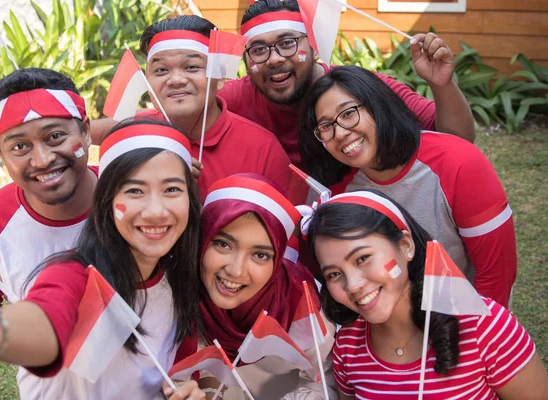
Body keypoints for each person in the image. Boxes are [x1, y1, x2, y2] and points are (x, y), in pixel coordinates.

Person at [0, 119, 206, 400]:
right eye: (135, 191)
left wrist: (186, 390)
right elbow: (45, 319)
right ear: (106, 202)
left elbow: (177, 372)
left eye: (171, 189)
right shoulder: (74, 274)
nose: (156, 211)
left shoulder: (182, 275)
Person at [298, 66, 516, 307]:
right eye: (326, 127)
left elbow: (497, 274)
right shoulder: (338, 192)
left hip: (466, 313)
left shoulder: (458, 162)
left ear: (378, 105)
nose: (339, 133)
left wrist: (480, 335)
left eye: (348, 113)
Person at [302, 189, 548, 399]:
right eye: (334, 274)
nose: (353, 285)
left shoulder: (484, 325)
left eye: (363, 258)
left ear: (406, 245)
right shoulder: (347, 346)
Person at [217, 0, 476, 166]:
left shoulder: (356, 88)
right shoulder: (234, 98)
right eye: (259, 50)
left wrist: (442, 84)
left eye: (287, 43)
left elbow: (458, 139)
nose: (273, 59)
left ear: (314, 45)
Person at [92, 16, 292, 200]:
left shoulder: (262, 149)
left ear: (219, 77)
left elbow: (288, 233)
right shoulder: (131, 138)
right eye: (161, 70)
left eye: (192, 67)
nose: (176, 80)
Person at [0, 68, 97, 304]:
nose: (43, 160)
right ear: (0, 154)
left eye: (55, 137)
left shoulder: (137, 191)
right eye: (20, 147)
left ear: (85, 131)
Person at [197, 174, 338, 399]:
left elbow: (327, 381)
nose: (235, 270)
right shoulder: (182, 293)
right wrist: (208, 390)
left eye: (260, 255)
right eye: (223, 244)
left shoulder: (303, 307)